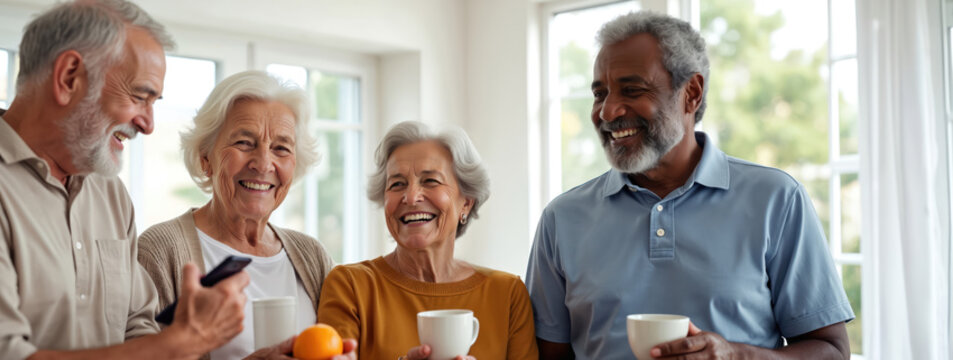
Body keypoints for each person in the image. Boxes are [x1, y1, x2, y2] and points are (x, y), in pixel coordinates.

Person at [0, 1, 251, 358]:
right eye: (140, 97)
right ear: (69, 77)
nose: (148, 124)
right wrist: (177, 346)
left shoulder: (109, 192)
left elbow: (138, 325)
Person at [525, 11, 854, 359]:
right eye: (599, 93)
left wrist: (737, 356)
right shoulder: (562, 218)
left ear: (691, 93)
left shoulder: (777, 200)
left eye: (631, 89)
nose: (607, 112)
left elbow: (832, 351)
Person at [137, 70, 347, 360]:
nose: (263, 164)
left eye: (281, 148)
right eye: (244, 143)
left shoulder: (312, 256)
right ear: (206, 157)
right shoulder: (160, 250)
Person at [317, 121, 539, 360]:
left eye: (430, 181)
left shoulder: (507, 294)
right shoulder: (350, 286)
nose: (411, 197)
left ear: (466, 202)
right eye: (397, 184)